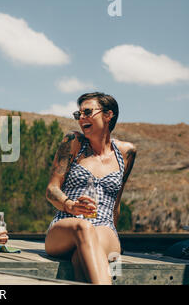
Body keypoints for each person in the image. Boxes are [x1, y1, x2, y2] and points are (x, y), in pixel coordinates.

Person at [45, 92, 136, 284]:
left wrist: (114, 235)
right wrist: (70, 205)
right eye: (78, 115)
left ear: (108, 115)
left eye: (87, 112)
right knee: (84, 227)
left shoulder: (126, 152)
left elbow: (116, 202)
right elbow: (51, 190)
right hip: (66, 225)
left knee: (81, 258)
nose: (81, 119)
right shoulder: (73, 142)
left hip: (105, 226)